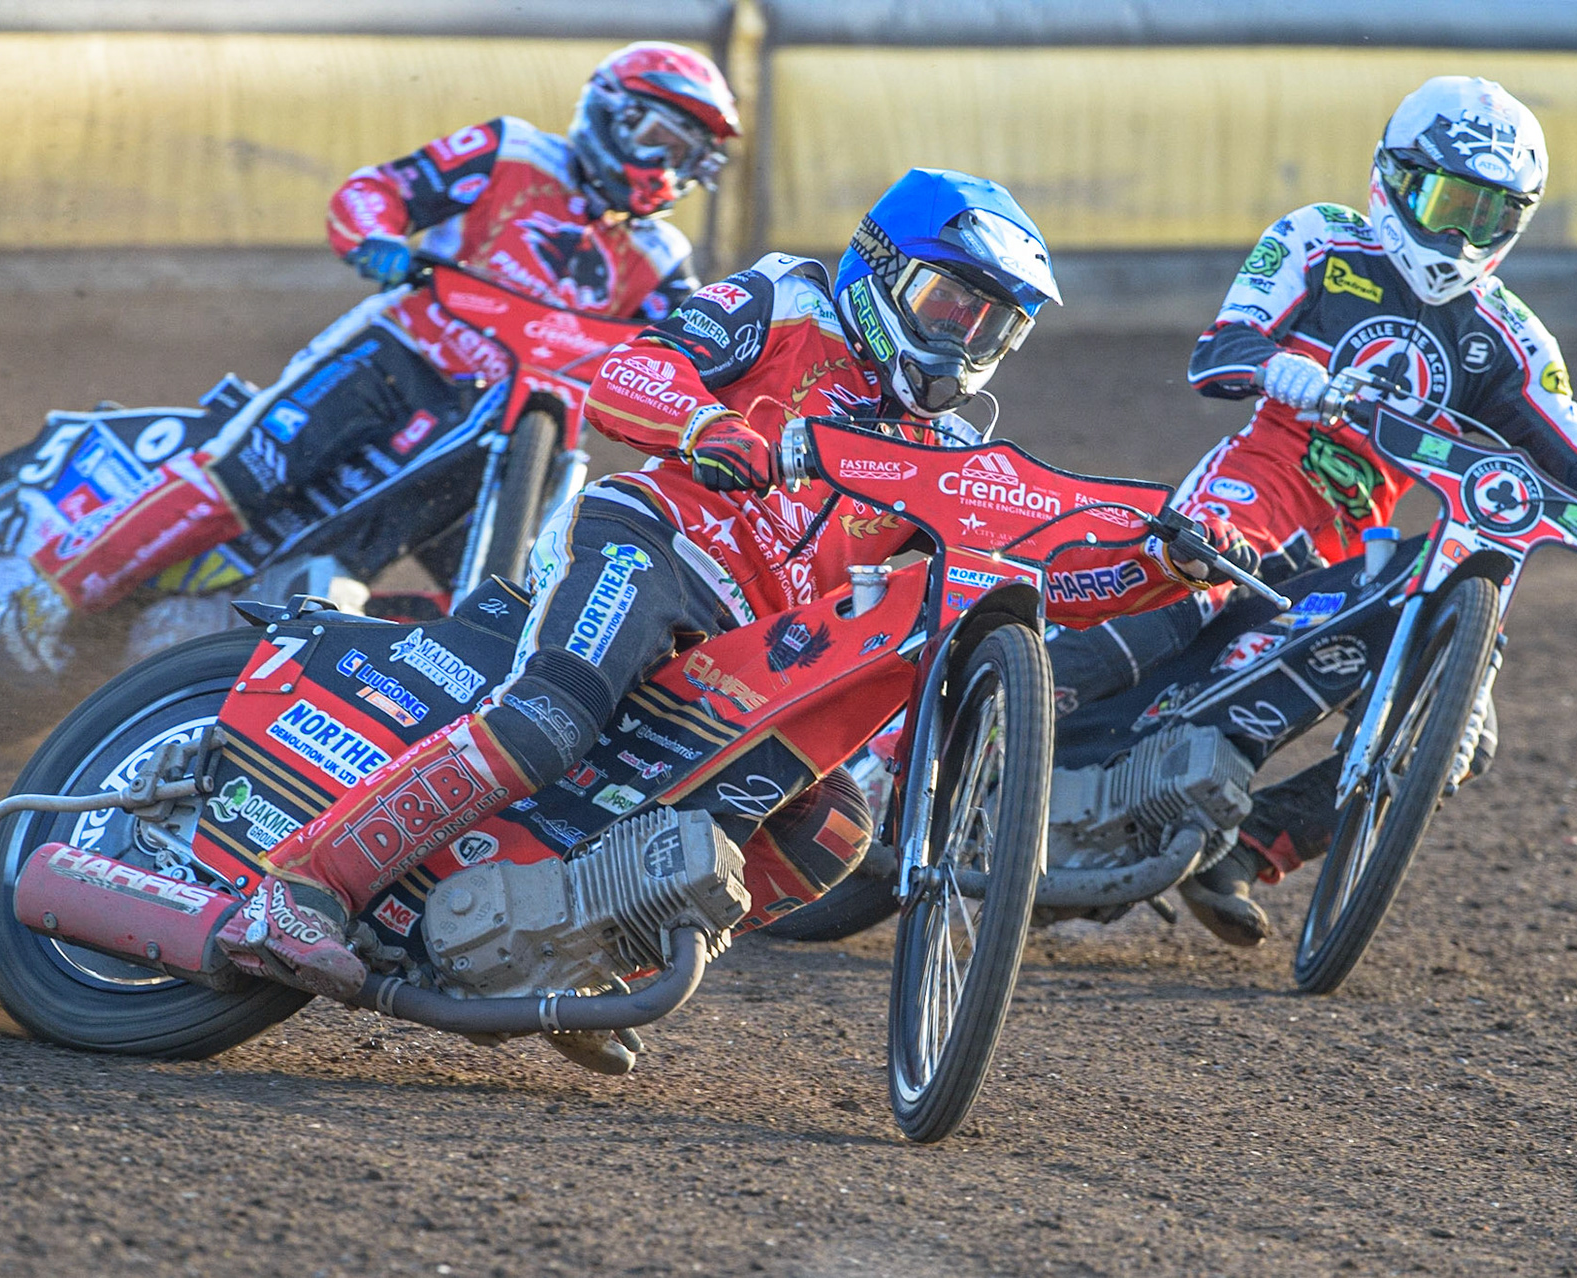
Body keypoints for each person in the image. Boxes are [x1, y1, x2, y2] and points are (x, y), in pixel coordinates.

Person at [215, 168, 1257, 1066]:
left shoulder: (953, 452)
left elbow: (1038, 579)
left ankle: (589, 956)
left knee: (835, 827)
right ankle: (302, 884)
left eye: (993, 325)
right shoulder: (785, 299)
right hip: (657, 545)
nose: (964, 339)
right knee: (555, 712)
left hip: (759, 653)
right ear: (881, 270)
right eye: (949, 305)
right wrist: (711, 421)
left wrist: (1165, 566)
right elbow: (628, 371)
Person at [1047, 75, 1577, 947]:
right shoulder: (1320, 241)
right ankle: (999, 721)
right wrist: (1274, 365)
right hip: (1254, 493)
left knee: (1456, 739)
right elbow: (1218, 350)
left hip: (1351, 549)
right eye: (1447, 203)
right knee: (1192, 578)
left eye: (1488, 218)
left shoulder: (1507, 335)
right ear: (1395, 180)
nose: (1459, 236)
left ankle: (1245, 848)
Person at [0, 42, 740, 677]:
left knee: (400, 565)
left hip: (498, 428)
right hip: (397, 356)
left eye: (687, 160)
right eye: (659, 142)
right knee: (244, 476)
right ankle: (45, 592)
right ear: (611, 109)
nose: (665, 171)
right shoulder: (513, 152)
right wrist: (378, 236)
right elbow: (378, 190)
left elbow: (691, 349)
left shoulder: (659, 256)